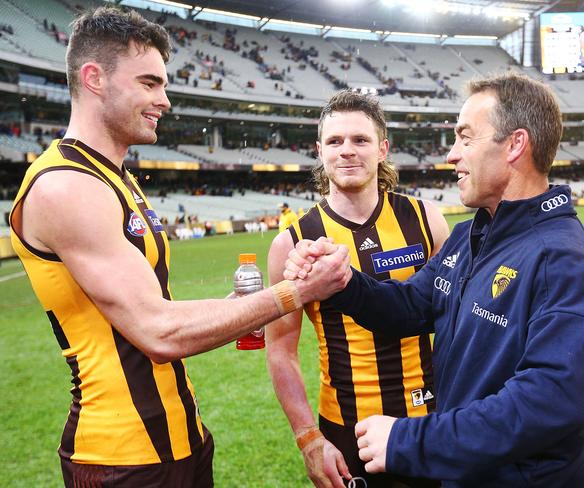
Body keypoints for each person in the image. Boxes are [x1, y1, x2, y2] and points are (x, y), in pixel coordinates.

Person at [7, 7, 342, 487]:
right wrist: (294, 292)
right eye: (149, 83)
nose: (164, 100)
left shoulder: (116, 179)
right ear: (94, 78)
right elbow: (158, 332)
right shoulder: (66, 185)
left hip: (178, 443)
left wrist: (244, 306)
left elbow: (153, 313)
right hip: (121, 458)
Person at [284, 73, 584, 487]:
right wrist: (342, 280)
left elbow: (548, 401)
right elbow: (409, 307)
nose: (451, 155)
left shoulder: (566, 260)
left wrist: (411, 442)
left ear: (515, 144)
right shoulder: (470, 237)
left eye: (465, 138)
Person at [266, 90, 449, 488]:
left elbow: (453, 322)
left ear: (382, 148)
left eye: (360, 140)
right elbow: (280, 351)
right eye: (335, 141)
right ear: (320, 150)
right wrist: (309, 439)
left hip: (430, 420)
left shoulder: (426, 219)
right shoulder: (293, 242)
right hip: (349, 430)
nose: (347, 151)